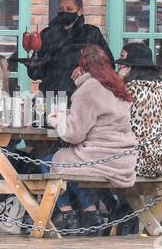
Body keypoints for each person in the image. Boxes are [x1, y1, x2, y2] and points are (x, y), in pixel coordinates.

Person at [42, 45, 138, 236]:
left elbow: (73, 134)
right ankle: (90, 213)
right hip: (122, 158)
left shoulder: (88, 89)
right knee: (72, 163)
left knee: (48, 162)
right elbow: (100, 117)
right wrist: (69, 113)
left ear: (83, 67)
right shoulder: (116, 86)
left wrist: (57, 119)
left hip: (100, 157)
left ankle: (68, 215)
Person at [26, 0, 115, 102]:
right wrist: (33, 61)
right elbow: (35, 74)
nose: (64, 12)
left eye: (69, 9)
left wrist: (87, 68)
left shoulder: (91, 33)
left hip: (82, 97)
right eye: (60, 9)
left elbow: (109, 65)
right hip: (51, 96)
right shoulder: (47, 34)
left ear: (80, 11)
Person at [115, 43, 162, 178]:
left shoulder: (129, 91)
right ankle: (119, 200)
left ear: (132, 67)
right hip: (156, 162)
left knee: (76, 162)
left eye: (123, 62)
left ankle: (96, 200)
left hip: (132, 162)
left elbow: (111, 119)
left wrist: (118, 82)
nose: (119, 66)